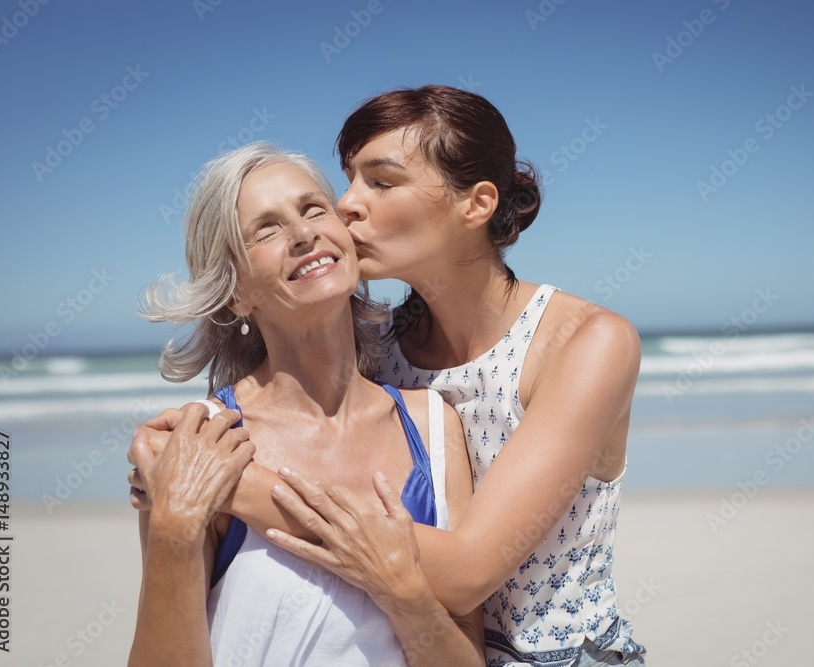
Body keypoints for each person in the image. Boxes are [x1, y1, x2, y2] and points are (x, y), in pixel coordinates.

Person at [132, 85, 646, 666]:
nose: (347, 204)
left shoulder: (584, 342)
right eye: (347, 181)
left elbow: (468, 570)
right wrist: (174, 474)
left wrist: (236, 487)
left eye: (379, 181)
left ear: (476, 204)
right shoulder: (385, 350)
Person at [127, 143, 484, 667]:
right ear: (235, 294)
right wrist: (176, 525)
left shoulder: (433, 425)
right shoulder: (200, 444)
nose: (302, 234)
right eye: (265, 230)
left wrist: (401, 593)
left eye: (314, 208)